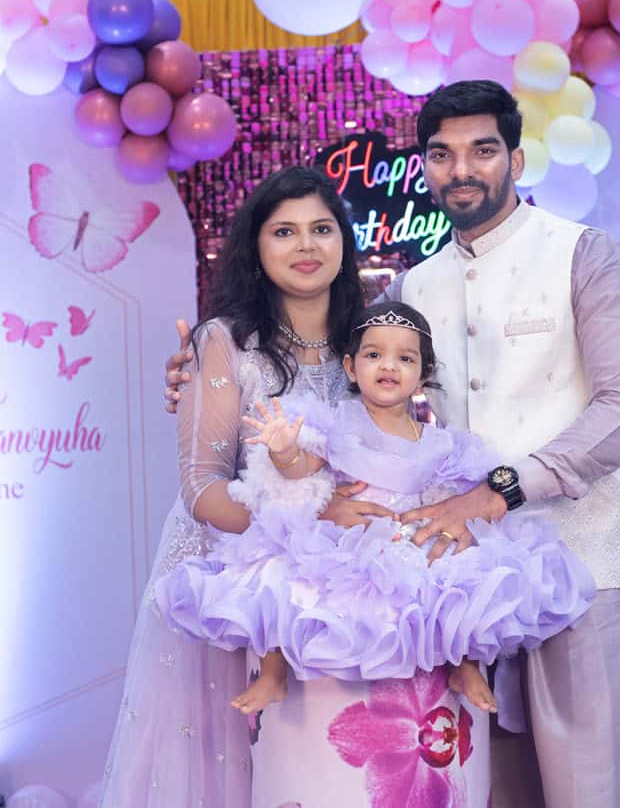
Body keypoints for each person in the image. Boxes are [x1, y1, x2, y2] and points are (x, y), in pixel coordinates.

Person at [164, 79, 620, 807]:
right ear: (424, 166)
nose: (462, 169)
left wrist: (500, 491)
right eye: (442, 153)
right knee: (488, 789)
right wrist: (199, 375)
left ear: (517, 159)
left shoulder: (587, 255)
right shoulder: (413, 287)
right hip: (437, 594)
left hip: (578, 566)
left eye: (483, 150)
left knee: (598, 790)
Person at [100, 165, 388, 808]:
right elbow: (204, 489)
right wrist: (313, 521)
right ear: (256, 250)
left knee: (323, 769)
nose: (306, 246)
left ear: (344, 243)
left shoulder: (368, 342)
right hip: (230, 581)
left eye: (321, 229)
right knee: (228, 764)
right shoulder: (228, 342)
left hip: (332, 585)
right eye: (284, 231)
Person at [153, 302, 597, 717]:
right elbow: (301, 469)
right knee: (281, 572)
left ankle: (466, 665)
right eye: (374, 355)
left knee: (465, 578)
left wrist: (451, 528)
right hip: (350, 541)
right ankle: (274, 673)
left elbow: (455, 501)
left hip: (412, 541)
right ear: (350, 365)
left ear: (423, 376)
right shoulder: (337, 424)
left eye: (405, 359)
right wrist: (285, 450)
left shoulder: (442, 442)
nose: (389, 366)